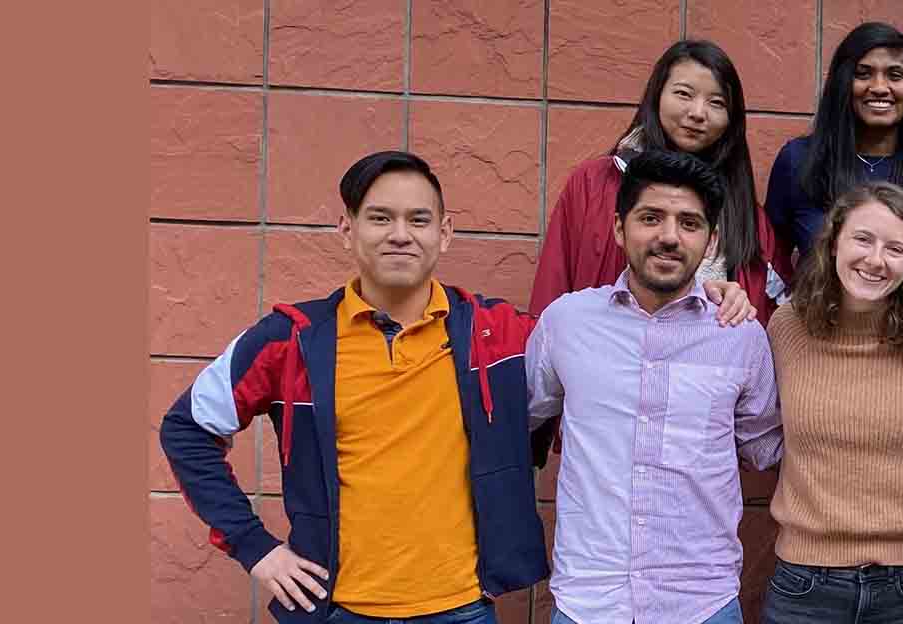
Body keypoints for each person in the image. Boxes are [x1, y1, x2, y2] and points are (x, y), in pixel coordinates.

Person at [157, 150, 754, 624]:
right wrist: (255, 548)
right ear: (346, 229)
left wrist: (713, 294)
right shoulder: (291, 340)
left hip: (462, 607)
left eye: (418, 220)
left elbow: (625, 336)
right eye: (380, 218)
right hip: (336, 607)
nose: (400, 234)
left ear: (444, 233)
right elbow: (186, 429)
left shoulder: (498, 337)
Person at [526, 149, 784, 624]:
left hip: (701, 603)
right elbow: (520, 417)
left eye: (689, 223)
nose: (669, 236)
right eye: (651, 218)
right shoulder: (566, 323)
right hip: (589, 601)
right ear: (619, 228)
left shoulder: (740, 336)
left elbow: (770, 447)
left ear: (711, 241)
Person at [761, 182, 903, 624]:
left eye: (895, 248)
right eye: (863, 239)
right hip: (804, 585)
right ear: (834, 241)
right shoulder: (787, 328)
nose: (876, 260)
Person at [531, 39, 786, 322]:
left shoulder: (749, 217)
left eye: (716, 102)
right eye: (684, 94)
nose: (698, 113)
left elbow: (770, 319)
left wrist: (737, 303)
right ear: (657, 96)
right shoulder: (593, 184)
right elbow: (551, 292)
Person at [766, 22, 903, 274]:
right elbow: (771, 260)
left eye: (894, 75)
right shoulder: (799, 161)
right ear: (842, 83)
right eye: (863, 74)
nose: (879, 87)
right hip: (815, 301)